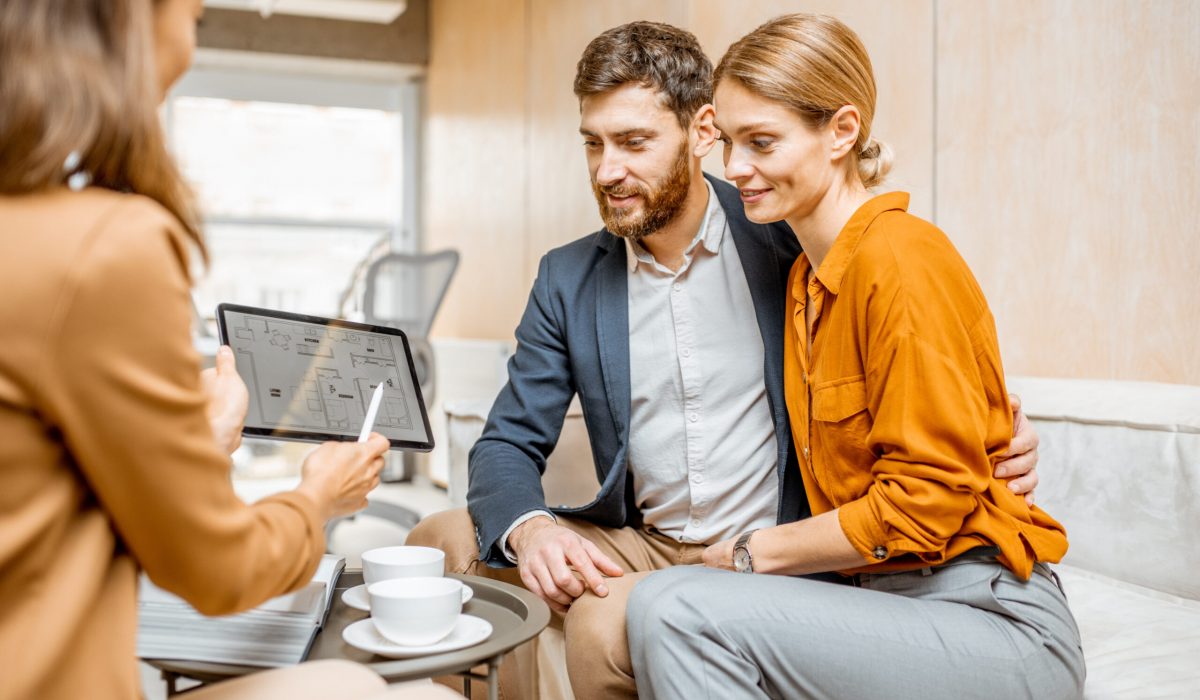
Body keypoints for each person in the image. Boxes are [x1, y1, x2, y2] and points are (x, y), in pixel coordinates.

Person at [407, 20, 1043, 699]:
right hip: (647, 536)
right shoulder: (569, 278)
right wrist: (531, 530)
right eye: (593, 144)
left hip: (784, 543)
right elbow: (507, 440)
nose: (606, 169)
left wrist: (1001, 430)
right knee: (439, 537)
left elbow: (910, 344)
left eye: (634, 142)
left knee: (600, 622)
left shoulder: (788, 236)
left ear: (699, 131)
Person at [0, 2, 457, 699]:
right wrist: (317, 497)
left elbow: (42, 491)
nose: (191, 36)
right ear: (135, 21)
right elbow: (218, 572)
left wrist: (201, 441)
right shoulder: (107, 246)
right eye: (194, 15)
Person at [626, 13, 1086, 699]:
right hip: (884, 606)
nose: (735, 169)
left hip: (991, 620)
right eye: (728, 142)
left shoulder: (900, 259)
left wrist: (753, 553)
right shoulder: (805, 277)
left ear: (842, 131)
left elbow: (928, 499)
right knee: (669, 601)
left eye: (762, 142)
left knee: (677, 607)